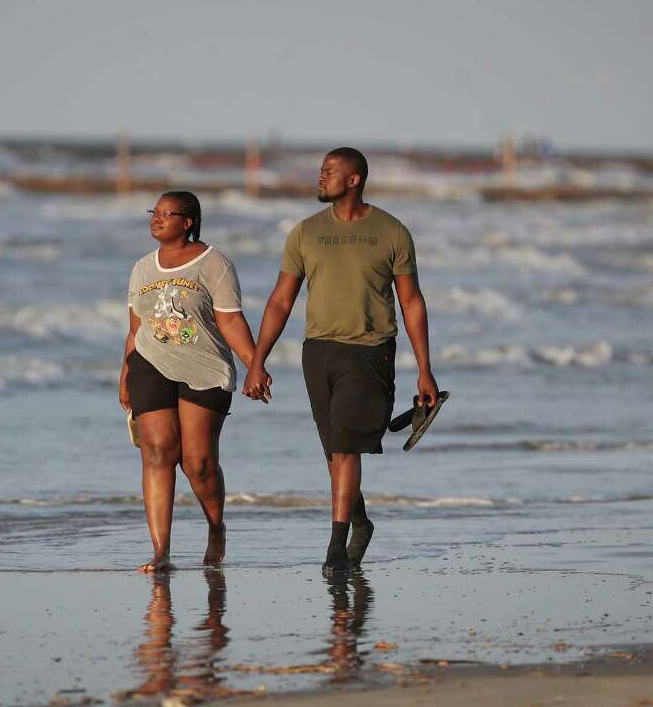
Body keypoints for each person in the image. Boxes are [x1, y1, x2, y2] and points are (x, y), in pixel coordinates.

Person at [242, 147, 439, 576]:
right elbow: (280, 300)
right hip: (318, 351)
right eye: (320, 170)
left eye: (329, 171)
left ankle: (335, 546)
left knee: (347, 445)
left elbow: (412, 302)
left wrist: (424, 368)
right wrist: (257, 360)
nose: (320, 177)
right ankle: (361, 523)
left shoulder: (392, 232)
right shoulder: (304, 233)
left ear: (354, 179)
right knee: (335, 450)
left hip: (370, 350)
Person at [120, 191, 260, 573]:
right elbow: (136, 328)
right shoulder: (142, 268)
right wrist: (125, 373)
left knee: (197, 463)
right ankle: (161, 552)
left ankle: (216, 527)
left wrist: (255, 364)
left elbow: (230, 320)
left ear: (188, 222)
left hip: (205, 368)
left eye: (168, 214)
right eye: (155, 212)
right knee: (158, 451)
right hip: (150, 363)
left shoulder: (214, 263)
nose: (157, 219)